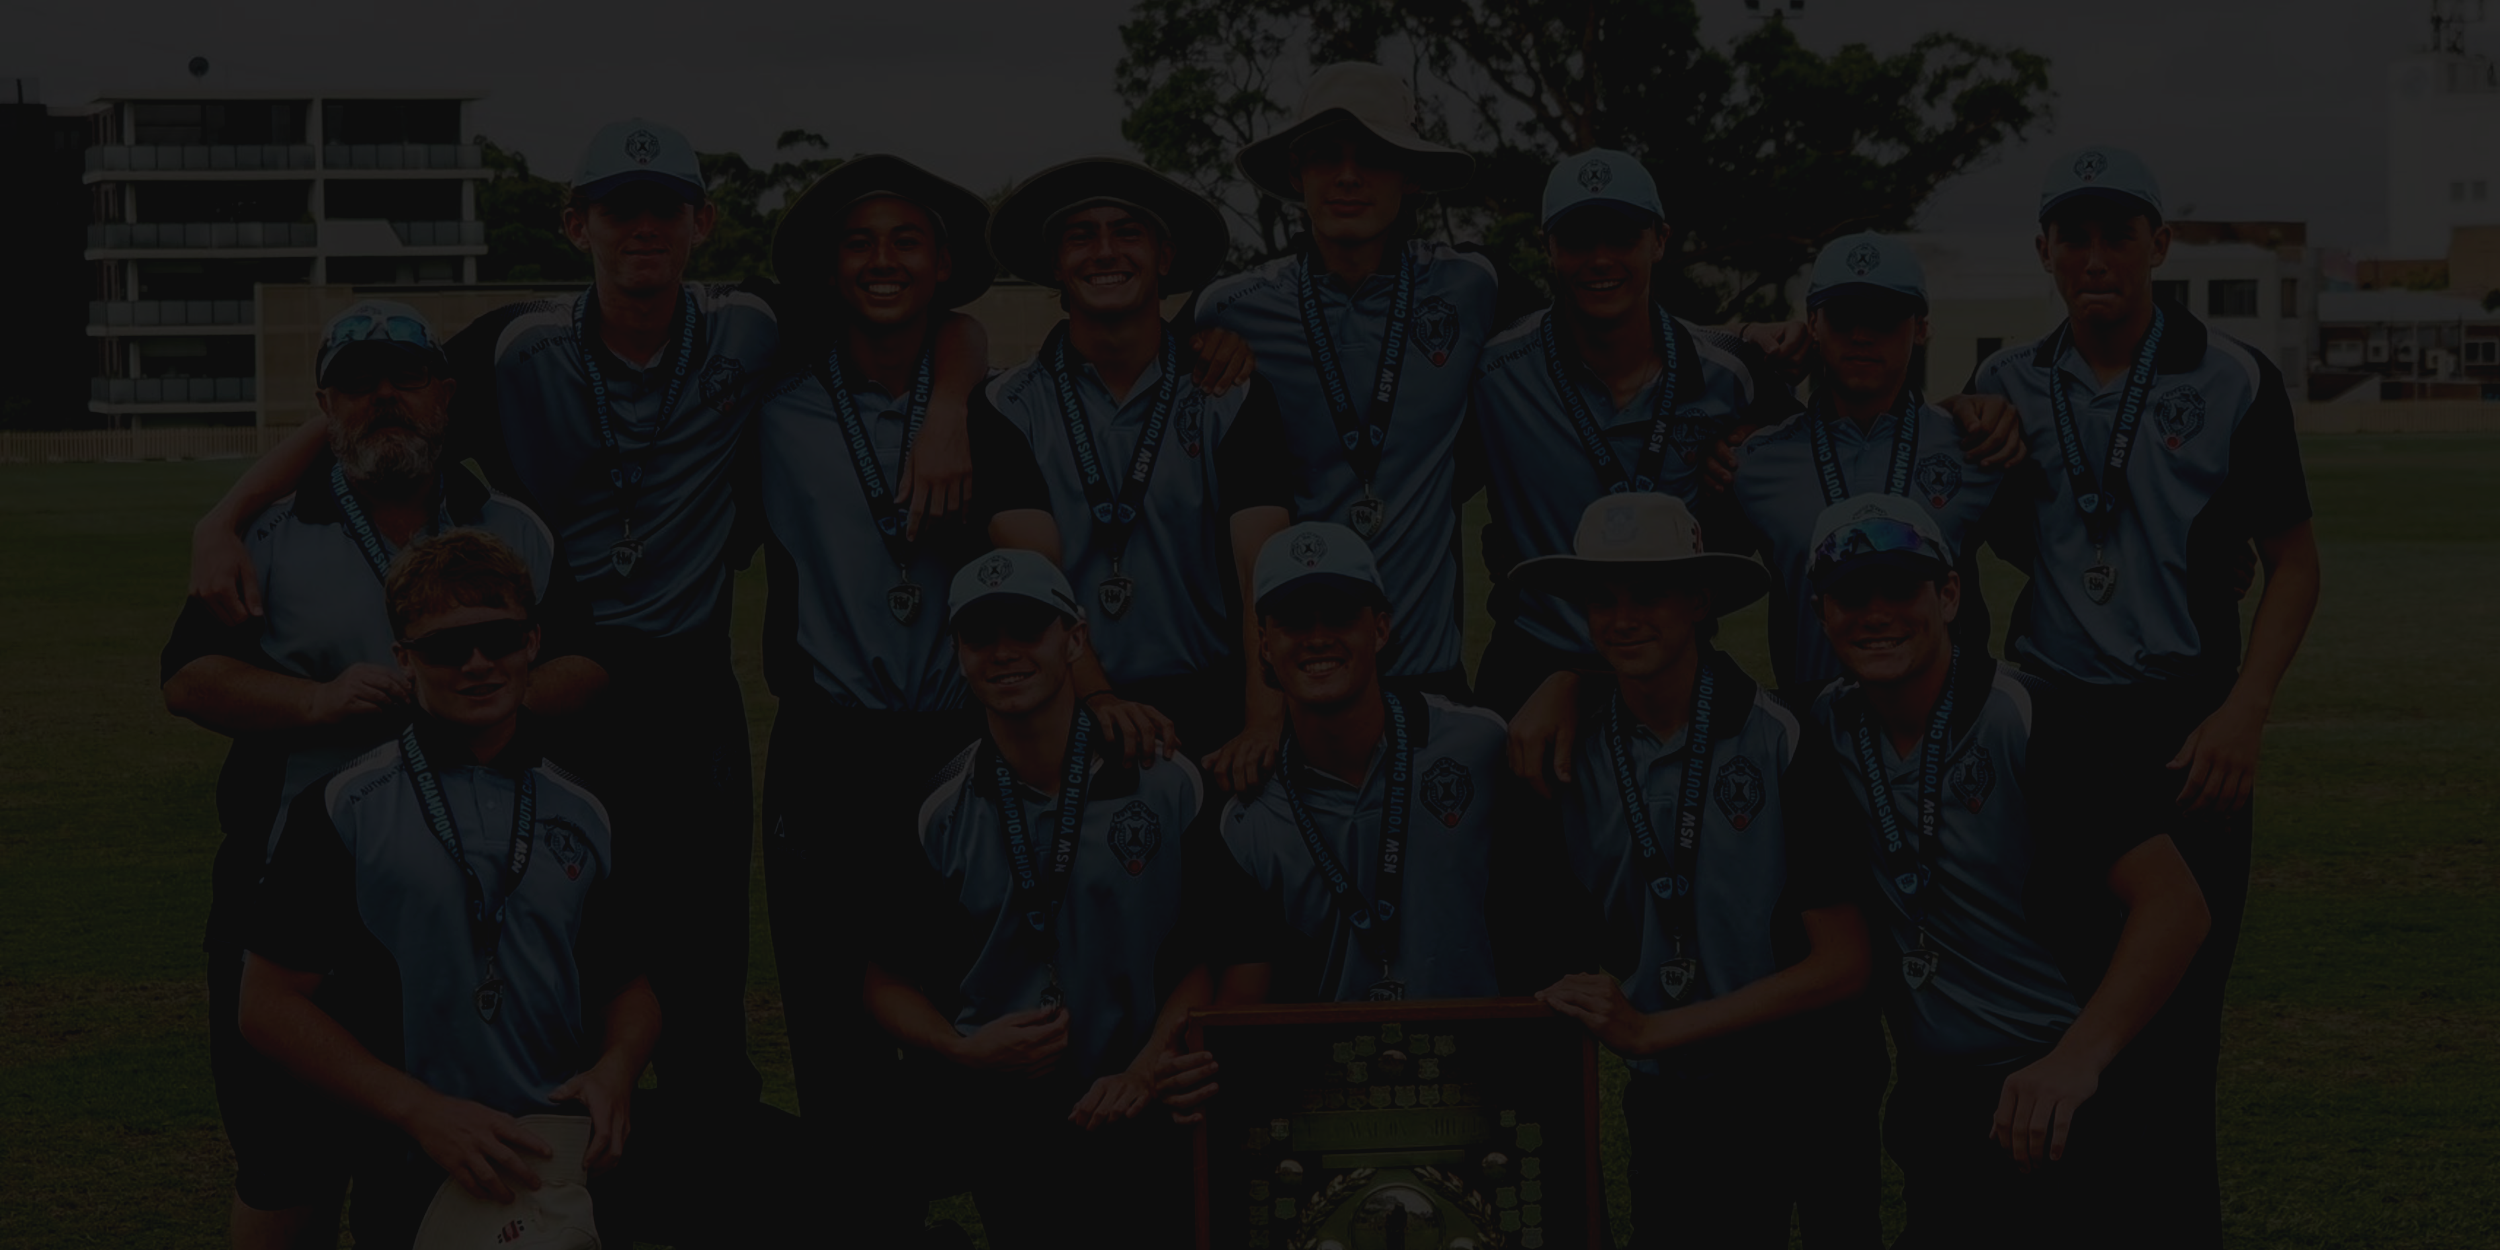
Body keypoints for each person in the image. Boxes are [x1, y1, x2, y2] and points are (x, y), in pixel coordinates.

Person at [160, 302, 598, 1250]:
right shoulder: (267, 533)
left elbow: (586, 663)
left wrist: (484, 694)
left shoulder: (512, 526)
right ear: (326, 407)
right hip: (296, 899)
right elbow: (189, 678)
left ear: (445, 395)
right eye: (358, 384)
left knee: (462, 1181)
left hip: (471, 905)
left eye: (406, 377)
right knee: (287, 1172)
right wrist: (313, 702)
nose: (385, 397)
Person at [1964, 146, 2322, 1241]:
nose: (2095, 258)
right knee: (2059, 1015)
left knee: (2175, 1037)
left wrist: (2245, 710)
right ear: (2043, 250)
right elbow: (1974, 513)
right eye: (2072, 236)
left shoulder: (2232, 376)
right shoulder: (2004, 384)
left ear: (2158, 244)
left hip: (2188, 733)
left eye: (2117, 234)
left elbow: (2294, 560)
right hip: (2054, 727)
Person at [1794, 495, 2211, 1244]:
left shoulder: (2030, 716)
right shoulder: (1826, 727)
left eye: (1901, 588)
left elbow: (2176, 904)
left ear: (1950, 594)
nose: (1876, 613)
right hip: (1938, 1101)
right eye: (1851, 594)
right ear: (1821, 612)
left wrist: (2076, 1060)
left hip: (2063, 1089)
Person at [234, 530, 654, 1250]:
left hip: (559, 1156)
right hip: (414, 1162)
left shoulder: (587, 808)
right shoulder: (344, 807)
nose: (478, 663)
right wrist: (418, 1110)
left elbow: (630, 985)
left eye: (499, 638)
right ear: (403, 658)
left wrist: (617, 1069)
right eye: (446, 647)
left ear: (534, 640)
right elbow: (266, 1005)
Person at [1512, 494, 1875, 1249]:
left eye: (1648, 593)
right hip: (1673, 1093)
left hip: (1808, 1077)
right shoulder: (1565, 755)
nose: (1623, 618)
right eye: (1601, 599)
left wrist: (1655, 1029)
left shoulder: (1782, 738)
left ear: (1700, 599)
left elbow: (1844, 961)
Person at [862, 548, 1215, 1249]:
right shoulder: (937, 808)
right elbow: (884, 981)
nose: (1004, 652)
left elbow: (1216, 955)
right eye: (979, 635)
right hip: (1011, 1112)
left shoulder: (1169, 781)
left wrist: (1146, 1071)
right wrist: (962, 1049)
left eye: (1027, 629)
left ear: (1075, 639)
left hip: (1148, 1102)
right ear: (957, 652)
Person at [972, 157, 1295, 773]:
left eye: (1127, 232)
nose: (1104, 252)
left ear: (1164, 256)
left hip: (1215, 708)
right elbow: (1037, 576)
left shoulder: (1232, 395)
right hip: (1070, 707)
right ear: (1055, 264)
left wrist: (1261, 723)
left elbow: (1263, 570)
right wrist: (1099, 698)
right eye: (1080, 236)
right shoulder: (1004, 406)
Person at [1196, 62, 1501, 712]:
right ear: (1296, 176)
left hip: (1429, 681)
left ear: (1410, 175)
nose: (1348, 176)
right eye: (1326, 156)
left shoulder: (1472, 287)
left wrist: (1731, 397)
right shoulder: (1229, 310)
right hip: (1299, 685)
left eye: (1374, 157)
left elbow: (1594, 344)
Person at [1192, 522, 1546, 1007]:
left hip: (1474, 1048)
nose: (1318, 638)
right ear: (1264, 645)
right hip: (1330, 1056)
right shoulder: (1246, 813)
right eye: (1294, 621)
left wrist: (1573, 679)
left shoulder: (1480, 746)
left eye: (1340, 616)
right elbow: (1244, 1000)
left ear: (1380, 628)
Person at [1718, 233, 2008, 705]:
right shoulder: (1754, 460)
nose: (1861, 334)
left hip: (1944, 732)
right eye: (1843, 316)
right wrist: (1746, 332)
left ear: (1922, 327)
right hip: (1814, 725)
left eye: (1884, 318)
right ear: (1813, 323)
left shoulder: (1978, 448)